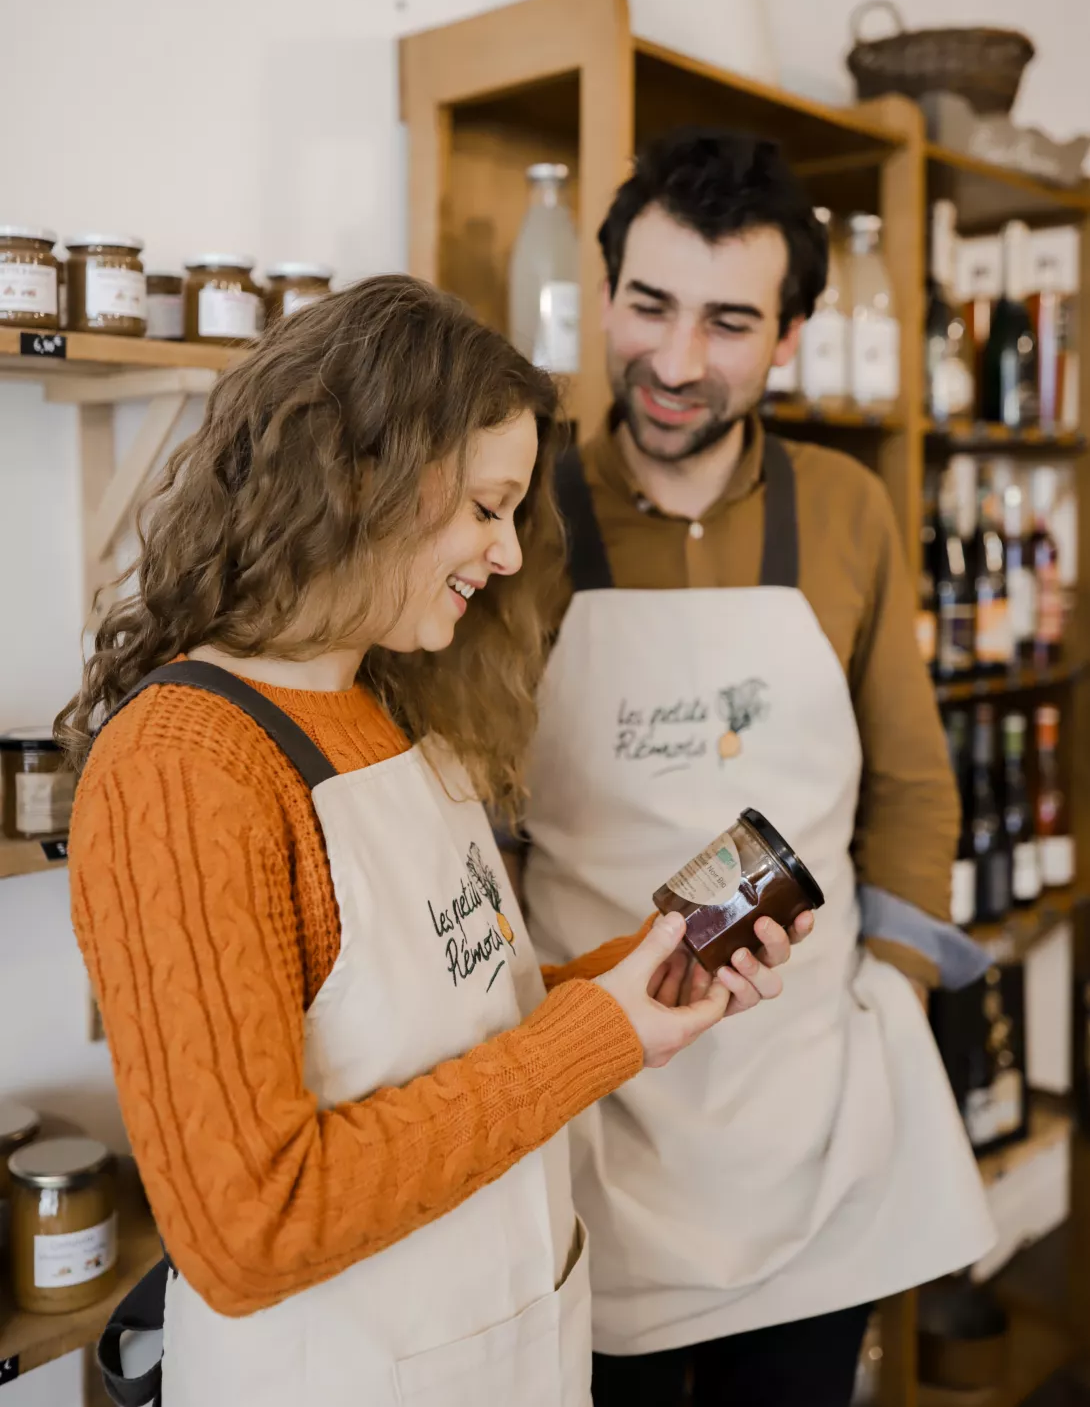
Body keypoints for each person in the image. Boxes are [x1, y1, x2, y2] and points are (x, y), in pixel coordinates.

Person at [61, 275, 807, 1407]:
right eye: (486, 507)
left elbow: (458, 1025)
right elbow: (248, 1230)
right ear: (358, 479)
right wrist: (595, 1037)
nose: (507, 555)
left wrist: (641, 981)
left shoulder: (388, 708)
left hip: (505, 1350)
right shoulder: (184, 767)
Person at [519, 131, 996, 1407]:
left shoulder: (847, 508)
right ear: (604, 291)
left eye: (729, 322)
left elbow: (911, 787)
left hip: (806, 1126)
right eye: (648, 306)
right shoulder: (517, 513)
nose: (675, 365)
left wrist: (886, 995)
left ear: (788, 336)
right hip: (595, 1110)